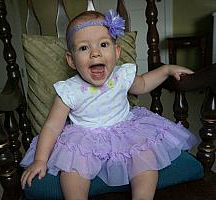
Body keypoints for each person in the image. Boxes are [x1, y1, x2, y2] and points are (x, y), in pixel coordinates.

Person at [20, 10, 198, 200]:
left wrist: (166, 69)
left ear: (117, 52)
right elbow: (53, 126)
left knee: (145, 156)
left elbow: (144, 84)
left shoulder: (121, 76)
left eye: (103, 45)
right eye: (83, 48)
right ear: (71, 60)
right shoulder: (69, 90)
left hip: (125, 132)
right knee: (72, 170)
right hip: (84, 138)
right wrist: (40, 160)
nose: (95, 53)